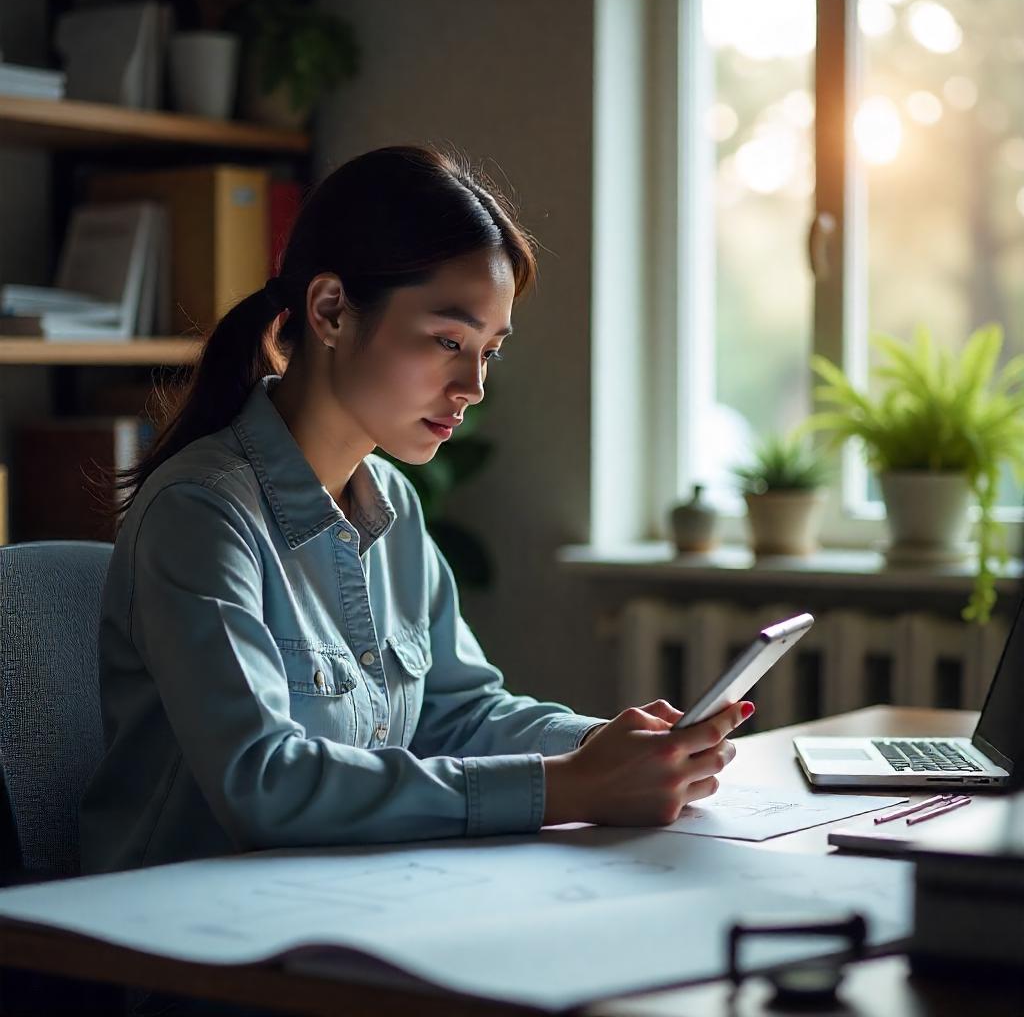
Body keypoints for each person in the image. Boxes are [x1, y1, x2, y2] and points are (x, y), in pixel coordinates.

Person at [79, 145, 752, 884]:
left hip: (348, 897)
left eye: (488, 351)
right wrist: (573, 785)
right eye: (447, 342)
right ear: (331, 310)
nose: (473, 385)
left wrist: (614, 748)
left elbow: (456, 714)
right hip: (181, 949)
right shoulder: (201, 513)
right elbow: (264, 782)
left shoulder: (392, 503)